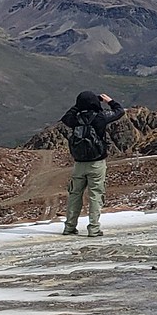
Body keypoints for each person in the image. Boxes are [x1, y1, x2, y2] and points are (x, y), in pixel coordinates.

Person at [60, 90, 125, 237]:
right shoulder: (100, 118)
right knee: (95, 195)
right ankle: (94, 228)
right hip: (97, 163)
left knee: (75, 194)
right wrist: (109, 100)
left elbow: (65, 118)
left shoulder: (75, 119)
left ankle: (69, 227)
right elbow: (119, 111)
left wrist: (78, 105)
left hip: (79, 164)